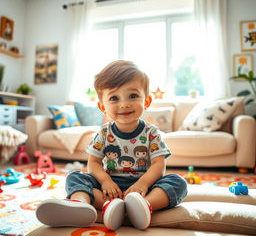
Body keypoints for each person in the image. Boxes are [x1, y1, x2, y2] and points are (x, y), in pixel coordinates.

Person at [36, 60, 187, 230]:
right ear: (102, 106)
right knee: (76, 177)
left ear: (147, 101)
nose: (124, 104)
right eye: (114, 98)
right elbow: (93, 163)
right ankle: (81, 205)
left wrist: (143, 184)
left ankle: (145, 206)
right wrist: (105, 181)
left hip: (143, 188)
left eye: (133, 96)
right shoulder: (103, 133)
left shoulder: (151, 132)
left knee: (177, 182)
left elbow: (159, 164)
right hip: (109, 189)